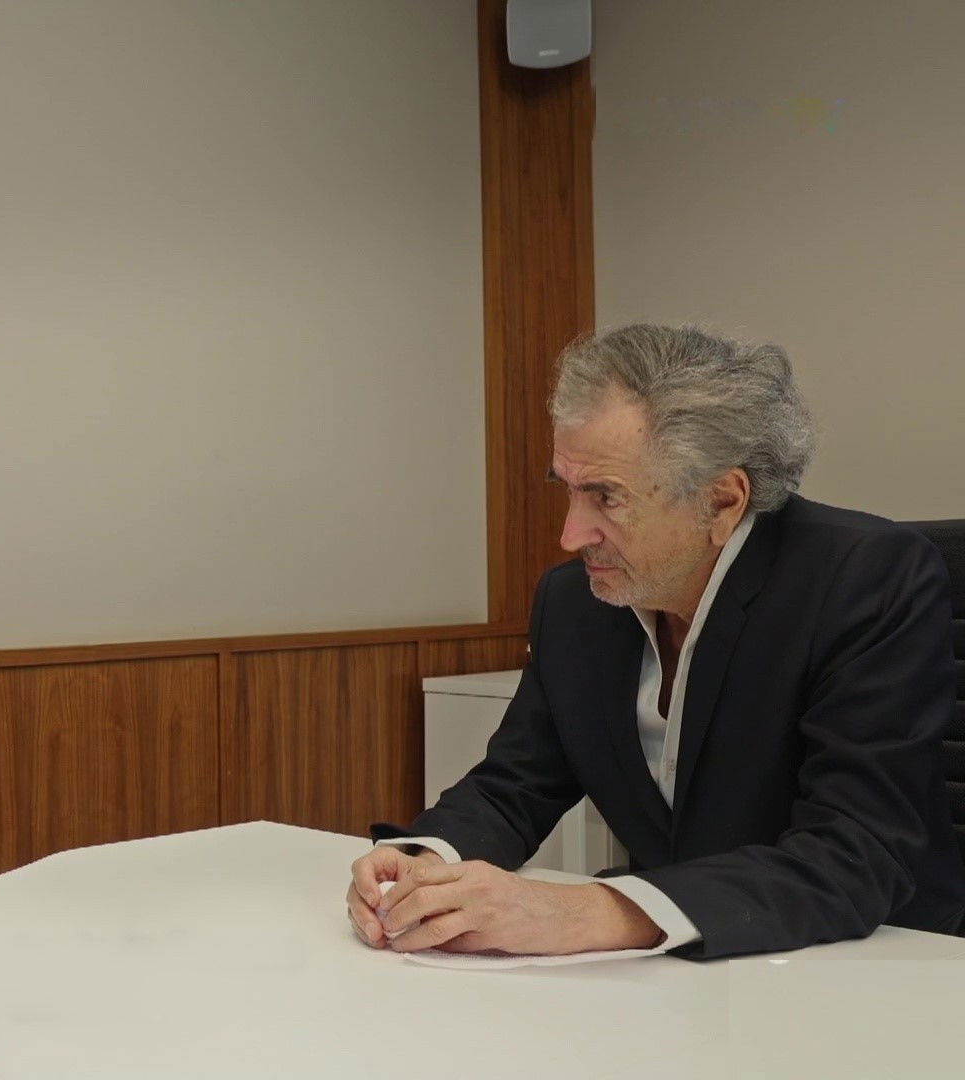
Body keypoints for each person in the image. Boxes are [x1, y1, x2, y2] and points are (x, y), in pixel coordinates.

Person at [346, 324, 965, 959]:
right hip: (678, 970)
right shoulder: (574, 599)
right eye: (568, 490)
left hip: (878, 960)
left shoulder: (865, 578)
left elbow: (855, 852)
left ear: (722, 501)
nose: (570, 535)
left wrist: (587, 911)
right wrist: (426, 864)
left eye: (606, 498)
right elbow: (516, 783)